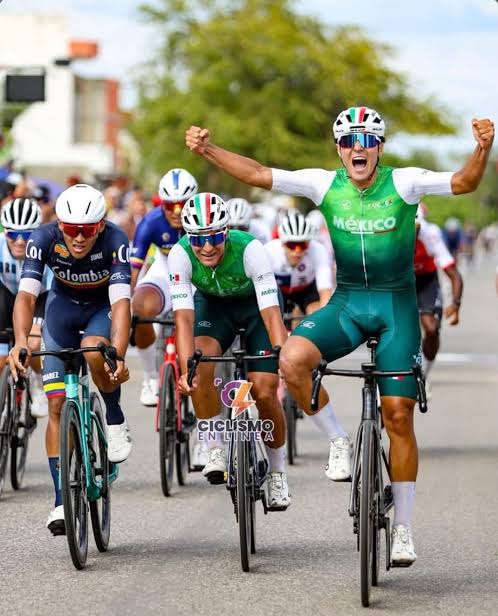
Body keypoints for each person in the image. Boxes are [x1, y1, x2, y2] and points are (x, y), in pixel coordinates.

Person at [185, 107, 494, 565]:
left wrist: (482, 148)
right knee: (291, 360)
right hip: (347, 304)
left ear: (379, 147)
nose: (357, 148)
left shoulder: (405, 183)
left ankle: (404, 528)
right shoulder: (324, 184)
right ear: (339, 149)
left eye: (366, 140)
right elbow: (257, 173)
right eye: (348, 141)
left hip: (395, 308)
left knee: (398, 417)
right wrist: (209, 149)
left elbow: (464, 182)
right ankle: (339, 441)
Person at [9, 184, 133, 535]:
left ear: (100, 226)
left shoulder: (116, 240)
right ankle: (62, 500)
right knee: (56, 405)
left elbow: (121, 303)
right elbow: (26, 296)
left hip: (101, 308)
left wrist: (118, 354)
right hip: (61, 310)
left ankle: (114, 416)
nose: (78, 237)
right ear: (60, 224)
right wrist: (21, 341)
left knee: (95, 349)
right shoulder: (43, 238)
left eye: (87, 229)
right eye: (71, 228)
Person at [167, 192, 291, 509]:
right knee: (198, 367)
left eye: (215, 237)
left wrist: (284, 357)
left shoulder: (250, 249)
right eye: (198, 239)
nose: (207, 247)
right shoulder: (180, 255)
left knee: (264, 390)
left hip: (255, 309)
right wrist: (186, 369)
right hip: (214, 308)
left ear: (226, 232)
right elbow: (183, 319)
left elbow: (271, 313)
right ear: (188, 237)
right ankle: (214, 446)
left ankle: (277, 473)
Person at [131, 168, 198, 406]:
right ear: (161, 203)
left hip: (197, 277)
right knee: (139, 307)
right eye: (170, 205)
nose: (177, 211)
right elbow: (133, 270)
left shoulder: (205, 217)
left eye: (183, 204)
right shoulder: (151, 222)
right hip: (165, 271)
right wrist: (124, 307)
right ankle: (151, 376)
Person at [0, 198, 52, 416]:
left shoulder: (47, 249)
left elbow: (52, 289)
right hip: (7, 294)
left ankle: (38, 385)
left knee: (34, 342)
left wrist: (38, 326)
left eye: (27, 235)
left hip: (39, 297)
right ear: (5, 233)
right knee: (1, 358)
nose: (20, 241)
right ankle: (4, 401)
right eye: (13, 234)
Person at [415, 204, 463, 392]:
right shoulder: (389, 233)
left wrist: (456, 304)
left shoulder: (430, 234)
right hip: (400, 281)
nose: (413, 232)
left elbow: (454, 274)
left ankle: (423, 375)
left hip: (426, 281)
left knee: (431, 328)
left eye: (416, 228)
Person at [266, 211, 333, 316]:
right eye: (291, 245)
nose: (297, 251)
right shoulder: (269, 251)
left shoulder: (318, 250)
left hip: (306, 290)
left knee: (316, 313)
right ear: (282, 243)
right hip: (278, 291)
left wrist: (324, 319)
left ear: (309, 243)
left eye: (302, 245)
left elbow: (325, 290)